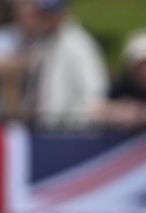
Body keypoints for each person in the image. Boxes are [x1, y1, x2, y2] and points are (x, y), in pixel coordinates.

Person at [32, 0, 108, 130]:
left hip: (70, 131)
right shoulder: (48, 40)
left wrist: (72, 123)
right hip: (49, 129)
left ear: (63, 12)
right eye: (42, 13)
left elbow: (94, 92)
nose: (44, 17)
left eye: (50, 13)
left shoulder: (78, 44)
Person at [0, 0, 40, 121]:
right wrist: (22, 63)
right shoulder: (2, 36)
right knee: (11, 77)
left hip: (38, 96)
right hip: (1, 98)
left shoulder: (45, 36)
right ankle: (13, 119)